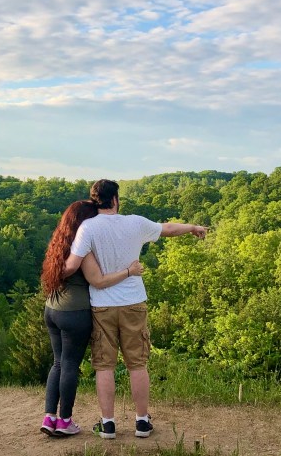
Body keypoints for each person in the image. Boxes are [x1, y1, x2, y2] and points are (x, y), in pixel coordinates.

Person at [64, 179, 206, 439]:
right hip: (133, 303)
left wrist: (51, 273)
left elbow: (73, 264)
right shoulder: (135, 223)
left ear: (95, 200)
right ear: (115, 199)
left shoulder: (87, 228)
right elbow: (168, 228)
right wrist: (193, 227)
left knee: (104, 366)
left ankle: (108, 424)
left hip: (102, 306)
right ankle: (141, 422)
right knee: (137, 364)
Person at [39, 199, 144, 437]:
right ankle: (65, 421)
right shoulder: (82, 248)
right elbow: (98, 280)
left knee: (57, 363)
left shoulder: (58, 244)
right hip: (75, 311)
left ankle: (49, 417)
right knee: (69, 365)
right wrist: (130, 271)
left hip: (52, 308)